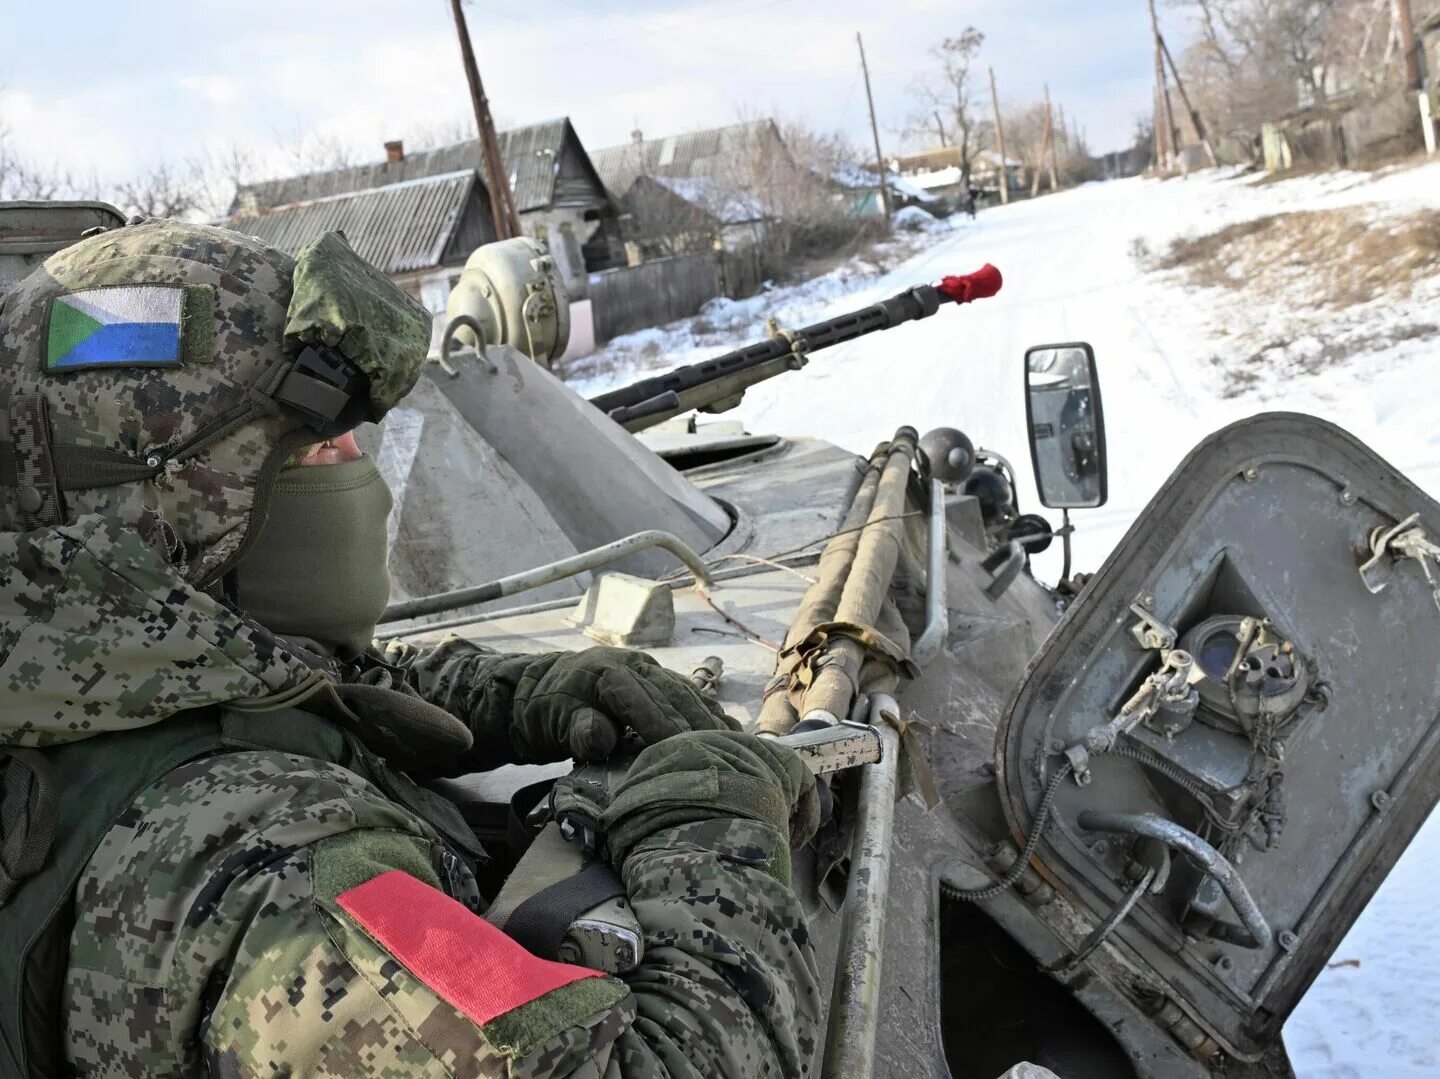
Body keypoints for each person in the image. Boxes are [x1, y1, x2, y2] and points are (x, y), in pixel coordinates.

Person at [0, 219, 821, 1076]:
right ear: (180, 508)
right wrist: (706, 826)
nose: (360, 469)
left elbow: (282, 686)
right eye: (320, 443)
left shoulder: (72, 668)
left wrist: (509, 696)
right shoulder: (275, 868)